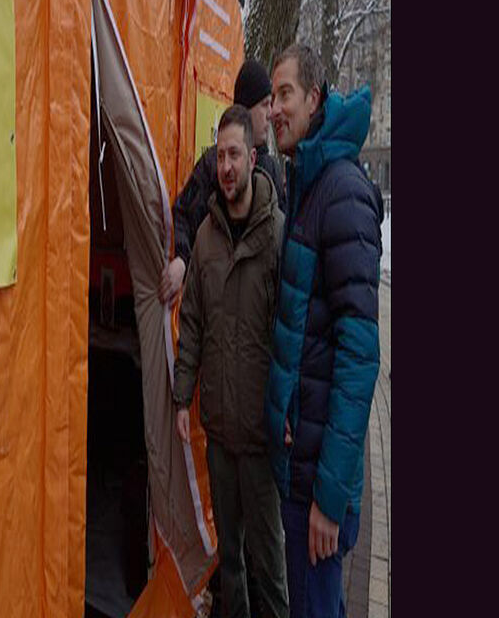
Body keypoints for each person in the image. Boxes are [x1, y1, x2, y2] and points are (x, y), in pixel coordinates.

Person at [264, 44, 382, 618]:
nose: (275, 109)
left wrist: (329, 502)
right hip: (301, 465)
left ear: (315, 98)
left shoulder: (342, 193)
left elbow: (360, 359)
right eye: (271, 97)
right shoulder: (307, 185)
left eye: (285, 93)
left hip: (318, 488)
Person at [172, 105, 289, 618]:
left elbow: (293, 332)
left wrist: (290, 409)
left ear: (253, 158)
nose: (226, 166)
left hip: (263, 437)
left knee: (269, 564)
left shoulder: (279, 236)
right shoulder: (204, 238)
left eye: (235, 154)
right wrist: (181, 395)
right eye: (220, 156)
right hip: (219, 431)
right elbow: (192, 320)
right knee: (231, 564)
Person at [161, 59, 285, 305]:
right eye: (264, 105)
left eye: (235, 156)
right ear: (246, 109)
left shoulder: (272, 170)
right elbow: (184, 212)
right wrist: (182, 260)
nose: (270, 114)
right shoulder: (211, 165)